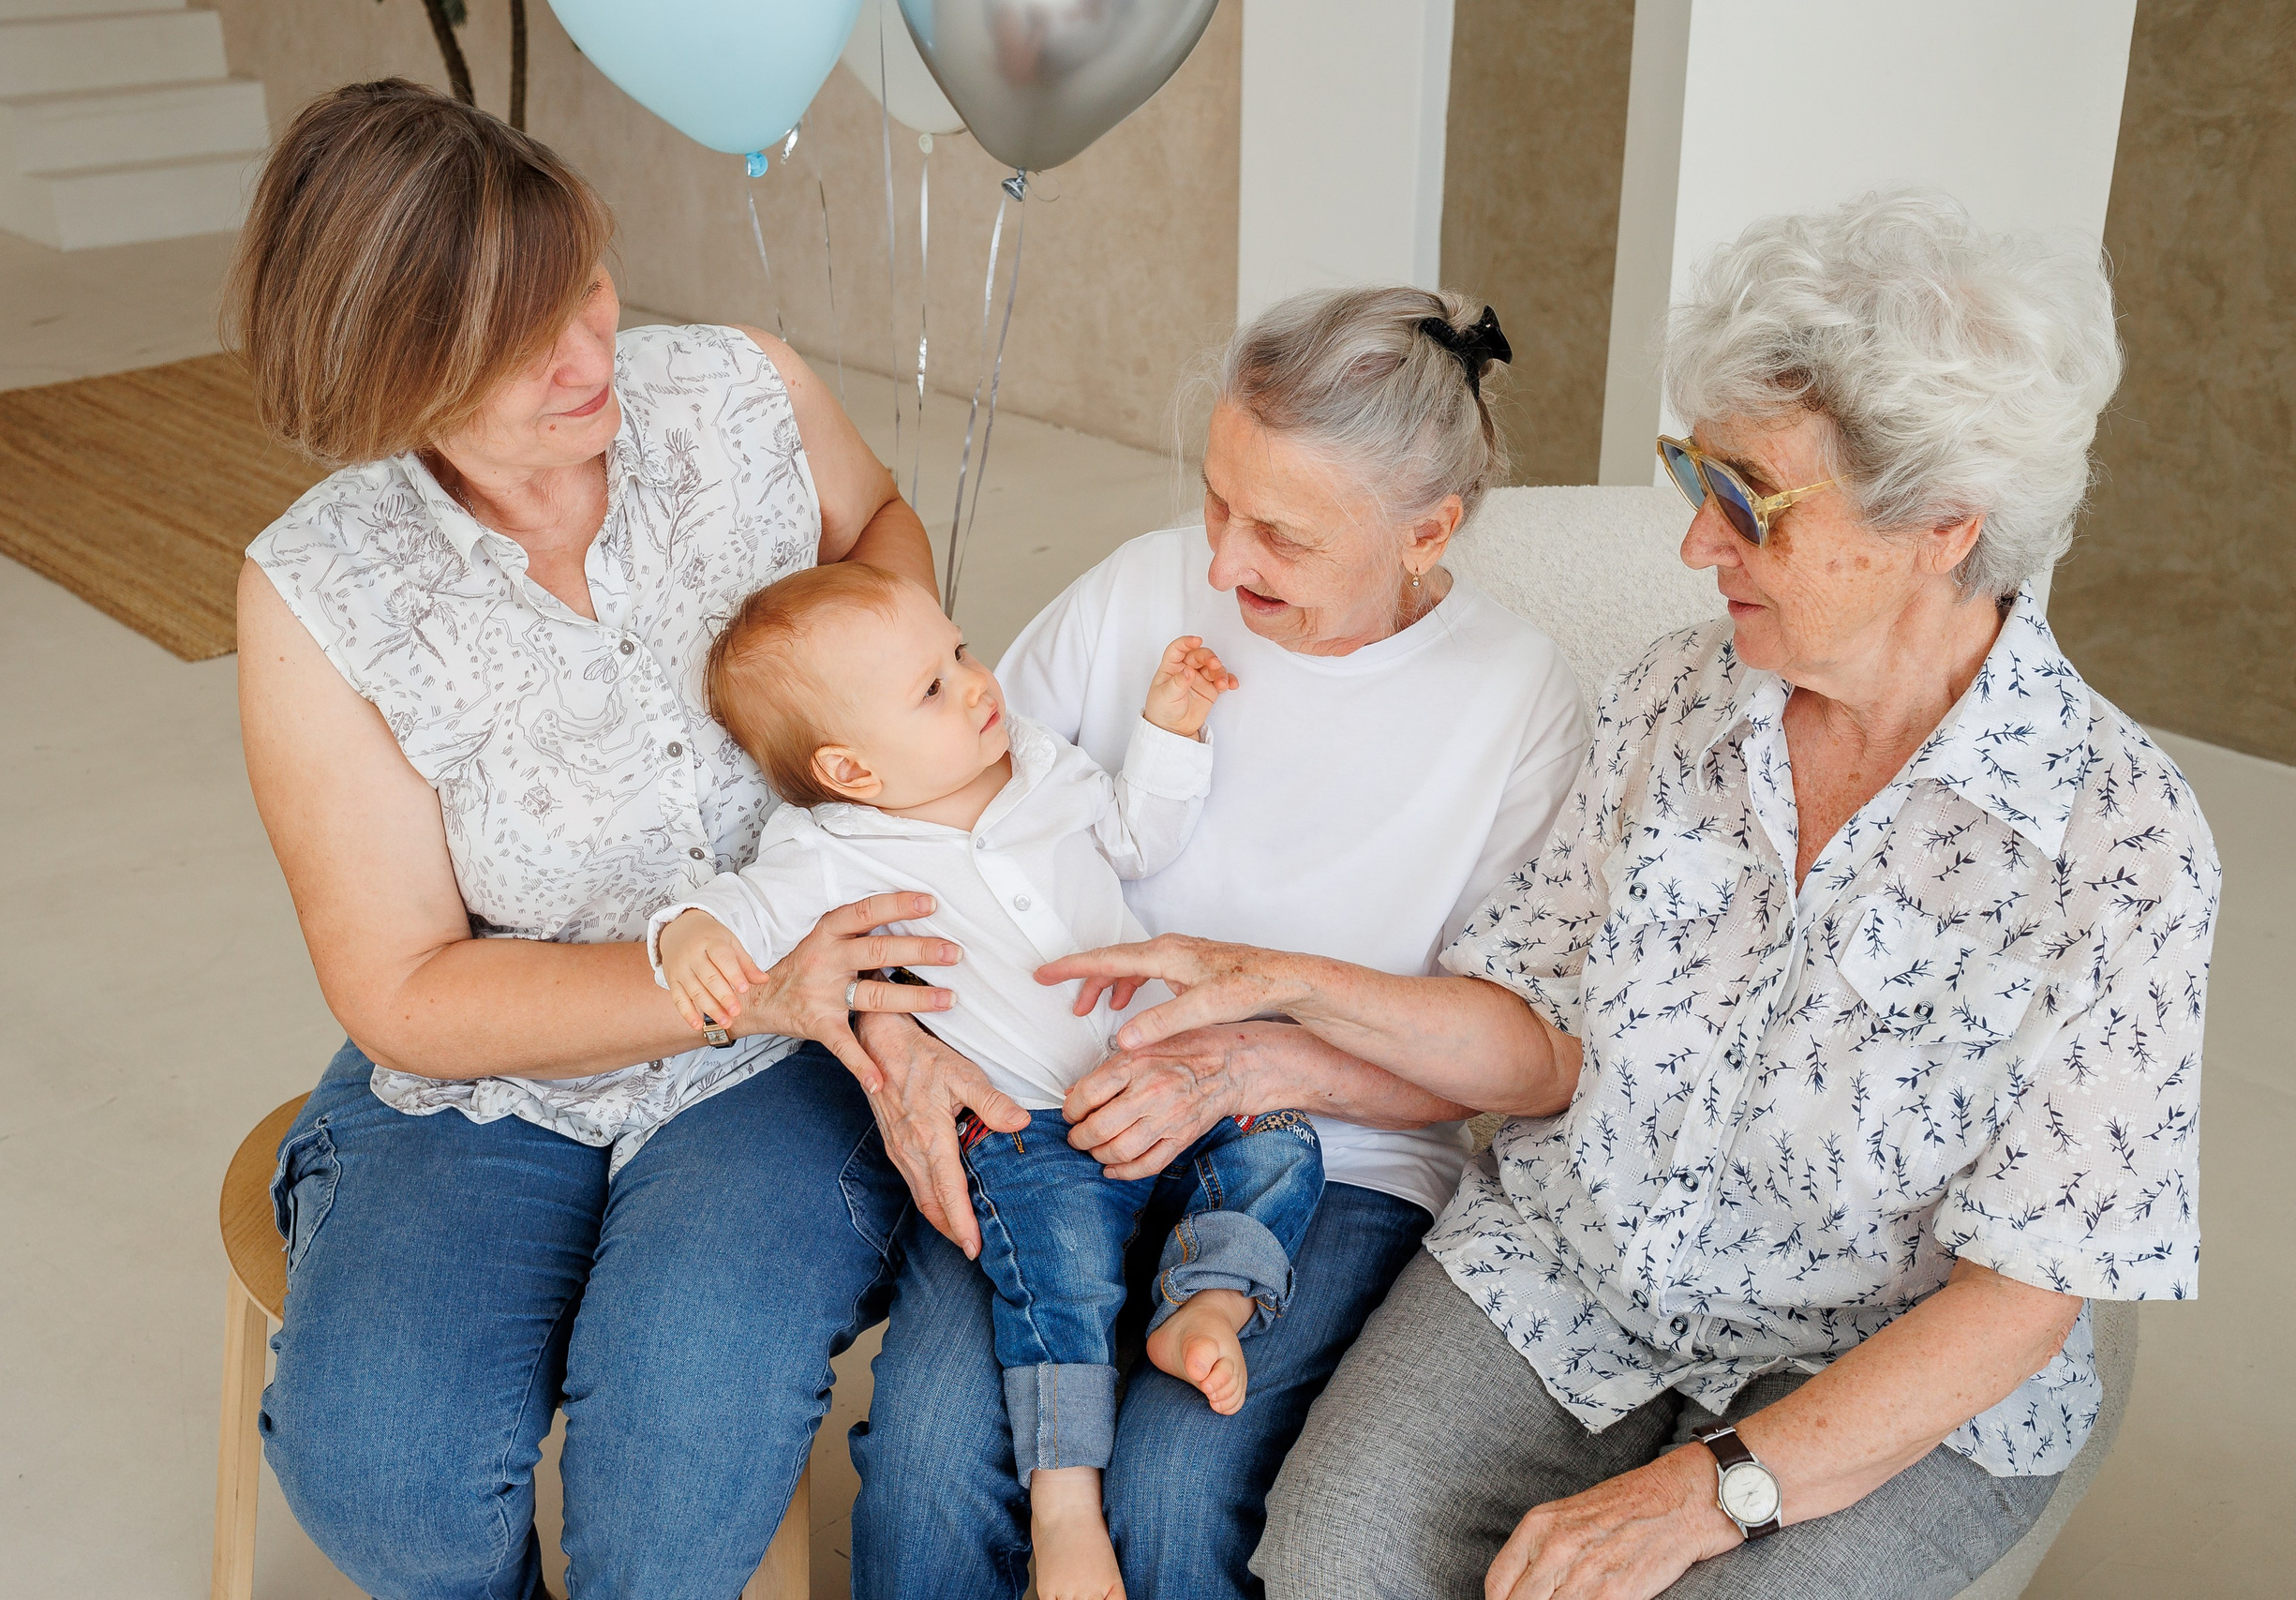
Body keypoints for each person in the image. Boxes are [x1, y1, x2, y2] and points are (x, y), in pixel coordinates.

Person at [1043, 192, 2220, 1600]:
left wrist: (1705, 1490)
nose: (1694, 548)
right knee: (1327, 1565)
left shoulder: (2123, 845)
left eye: (1747, 505)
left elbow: (2024, 1296)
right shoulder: (1675, 698)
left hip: (1873, 1361)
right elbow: (1538, 1039)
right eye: (1692, 476)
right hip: (1565, 1271)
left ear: (1941, 528)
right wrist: (1284, 991)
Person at [230, 82, 991, 1599]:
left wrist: (859, 712)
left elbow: (879, 528)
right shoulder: (318, 589)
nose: (587, 357)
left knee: (667, 1485)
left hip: (791, 1048)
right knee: (391, 1485)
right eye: (512, 343)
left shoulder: (735, 390)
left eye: (582, 282)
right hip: (502, 1056)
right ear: (390, 370)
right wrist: (722, 979)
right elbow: (405, 989)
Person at [843, 286, 1593, 1600]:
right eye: (1216, 501)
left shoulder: (1520, 702)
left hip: (1338, 1158)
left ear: (1431, 530)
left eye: (1285, 538)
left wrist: (1252, 1064)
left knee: (1178, 1493)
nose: (1226, 564)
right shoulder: (1143, 584)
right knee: (928, 1458)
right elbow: (921, 825)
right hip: (1055, 1112)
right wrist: (898, 1038)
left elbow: (1507, 1057)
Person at [650, 562, 1316, 1600]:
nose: (975, 682)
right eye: (931, 688)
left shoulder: (1040, 767)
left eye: (958, 652)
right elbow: (738, 913)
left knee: (1280, 1132)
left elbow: (1138, 836)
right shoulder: (828, 851)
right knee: (1056, 1284)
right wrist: (688, 930)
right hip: (1027, 1133)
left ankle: (1211, 1300)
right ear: (852, 769)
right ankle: (1065, 1508)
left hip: (1155, 1081)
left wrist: (1169, 729)